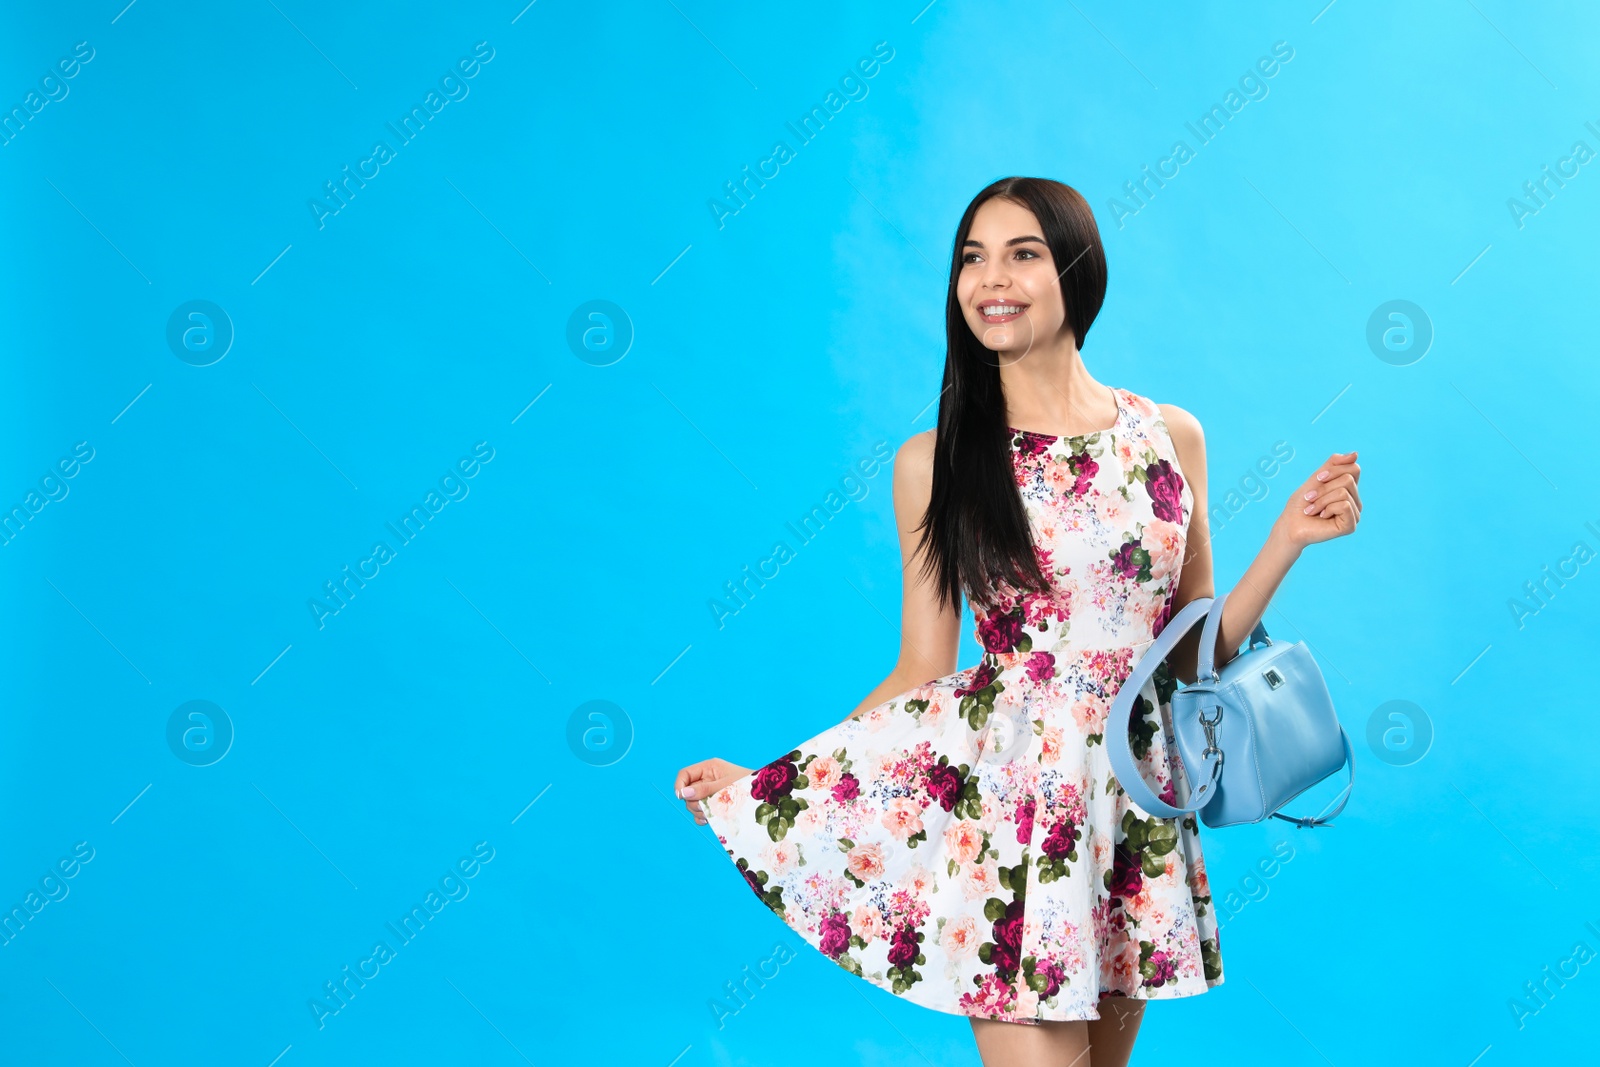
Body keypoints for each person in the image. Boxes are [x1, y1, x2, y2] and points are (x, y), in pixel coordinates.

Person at [674, 176, 1361, 1067]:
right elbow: (923, 667)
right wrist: (775, 781)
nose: (990, 278)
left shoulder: (1169, 435)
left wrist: (1286, 542)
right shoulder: (937, 461)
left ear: (1078, 269)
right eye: (972, 258)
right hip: (1012, 813)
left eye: (1021, 253)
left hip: (1131, 806)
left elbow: (1191, 661)